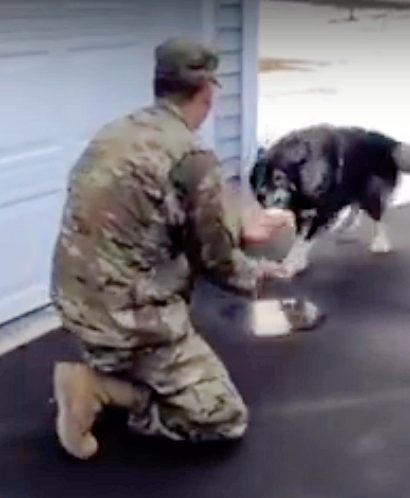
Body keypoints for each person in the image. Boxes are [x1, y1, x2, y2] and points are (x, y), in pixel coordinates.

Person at [50, 37, 297, 460]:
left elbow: (153, 212)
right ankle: (101, 389)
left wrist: (233, 224)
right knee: (223, 418)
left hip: (72, 304)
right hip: (125, 323)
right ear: (208, 92)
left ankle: (117, 368)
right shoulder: (191, 157)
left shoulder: (117, 132)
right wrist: (259, 273)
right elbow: (217, 260)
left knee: (164, 265)